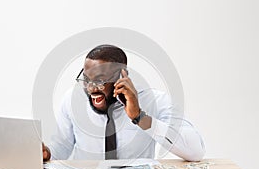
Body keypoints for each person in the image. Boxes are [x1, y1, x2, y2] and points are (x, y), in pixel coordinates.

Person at [43, 44, 205, 161]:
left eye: (100, 81)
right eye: (86, 80)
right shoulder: (72, 99)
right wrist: (48, 154)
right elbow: (62, 146)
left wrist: (140, 118)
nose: (91, 89)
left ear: (121, 76)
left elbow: (195, 151)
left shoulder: (155, 100)